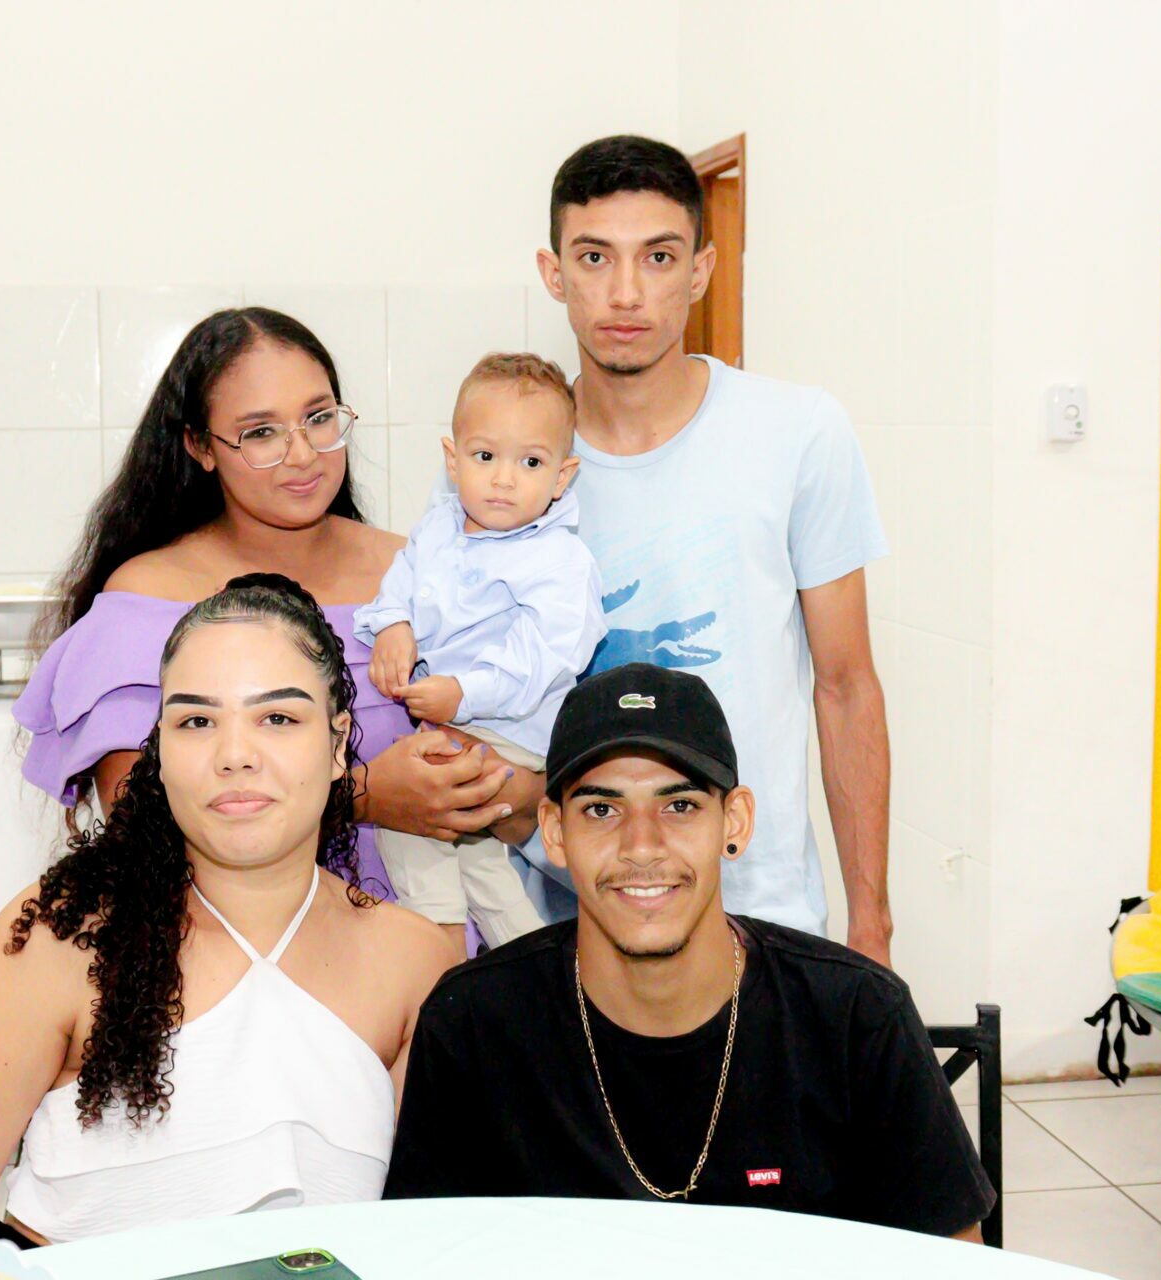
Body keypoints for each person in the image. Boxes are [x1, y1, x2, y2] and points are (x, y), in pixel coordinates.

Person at [0, 578, 458, 1280]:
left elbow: (434, 1232)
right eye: (196, 721)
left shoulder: (413, 960)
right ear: (161, 752)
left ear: (337, 747)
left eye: (277, 718)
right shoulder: (62, 940)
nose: (234, 754)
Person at [383, 663, 992, 1240]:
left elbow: (952, 1260)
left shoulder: (857, 1015)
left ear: (735, 822)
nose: (642, 846)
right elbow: (424, 1257)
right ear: (556, 831)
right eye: (601, 809)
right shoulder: (473, 1024)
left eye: (679, 806)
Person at [13, 306, 537, 901]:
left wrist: (501, 789)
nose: (303, 454)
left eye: (318, 418)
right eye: (261, 432)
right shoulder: (147, 599)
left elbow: (528, 759)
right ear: (200, 446)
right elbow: (139, 820)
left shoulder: (421, 570)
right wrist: (362, 796)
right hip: (233, 938)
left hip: (436, 934)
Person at [520, 135, 894, 961]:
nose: (625, 292)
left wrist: (871, 924)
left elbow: (846, 687)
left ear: (700, 270)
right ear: (554, 274)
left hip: (760, 916)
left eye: (658, 257)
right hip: (559, 922)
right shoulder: (509, 465)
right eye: (594, 257)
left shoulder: (797, 433)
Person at [356, 353, 605, 952]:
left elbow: (545, 657)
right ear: (453, 459)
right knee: (480, 859)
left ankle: (440, 949)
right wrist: (393, 626)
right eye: (485, 456)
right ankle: (527, 960)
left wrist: (464, 693)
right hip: (463, 722)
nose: (503, 479)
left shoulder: (559, 560)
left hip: (511, 727)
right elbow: (400, 583)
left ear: (562, 476)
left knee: (414, 815)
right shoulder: (438, 528)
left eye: (531, 462)